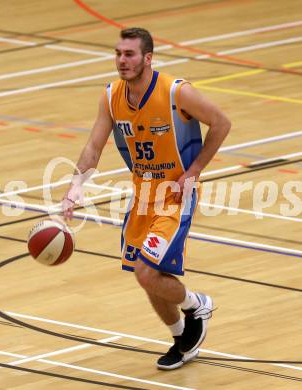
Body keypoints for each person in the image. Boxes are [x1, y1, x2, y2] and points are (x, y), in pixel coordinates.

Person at [62, 27, 231, 370]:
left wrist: (195, 170)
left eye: (129, 54)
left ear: (148, 58)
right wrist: (76, 186)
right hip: (141, 196)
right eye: (118, 54)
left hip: (174, 196)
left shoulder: (175, 92)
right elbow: (94, 146)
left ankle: (197, 304)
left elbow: (221, 123)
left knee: (146, 272)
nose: (121, 61)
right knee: (148, 280)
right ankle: (182, 339)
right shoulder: (111, 97)